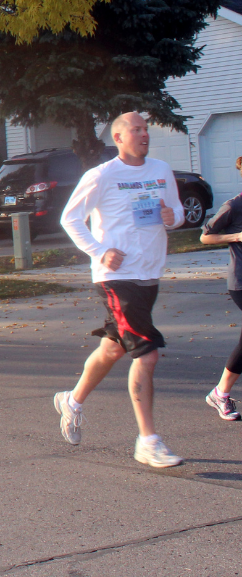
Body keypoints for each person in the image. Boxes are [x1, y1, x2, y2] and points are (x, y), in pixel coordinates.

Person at [53, 111, 184, 468]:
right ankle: (148, 440)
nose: (144, 134)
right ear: (119, 138)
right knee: (147, 353)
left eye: (146, 129)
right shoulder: (102, 175)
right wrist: (99, 251)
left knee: (113, 348)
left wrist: (175, 217)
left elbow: (176, 212)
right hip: (116, 276)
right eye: (136, 130)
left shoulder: (160, 169)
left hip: (149, 272)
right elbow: (70, 218)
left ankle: (72, 400)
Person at [199, 155, 242, 421]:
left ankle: (221, 392)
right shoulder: (234, 206)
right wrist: (236, 236)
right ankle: (220, 393)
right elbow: (205, 235)